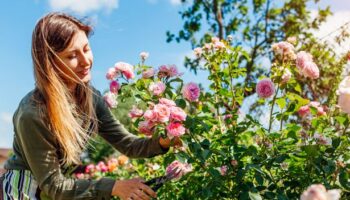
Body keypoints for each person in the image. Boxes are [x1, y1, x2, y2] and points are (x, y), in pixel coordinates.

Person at [0, 12, 177, 200]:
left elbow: (128, 145)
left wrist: (164, 140)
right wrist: (115, 187)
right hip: (22, 188)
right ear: (50, 63)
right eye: (72, 56)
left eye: (86, 49)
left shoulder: (91, 99)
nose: (86, 61)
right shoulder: (33, 113)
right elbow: (55, 185)